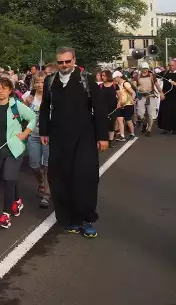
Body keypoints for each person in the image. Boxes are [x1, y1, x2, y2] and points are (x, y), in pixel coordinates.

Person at [39, 47, 109, 238]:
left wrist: (102, 136)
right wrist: (44, 131)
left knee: (85, 178)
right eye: (60, 62)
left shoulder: (86, 80)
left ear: (74, 61)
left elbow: (100, 109)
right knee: (61, 178)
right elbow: (45, 108)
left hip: (84, 137)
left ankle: (86, 219)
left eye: (67, 61)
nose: (64, 65)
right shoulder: (50, 81)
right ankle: (69, 218)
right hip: (59, 137)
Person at [0, 77, 36, 228]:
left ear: (10, 91)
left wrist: (25, 133)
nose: (0, 91)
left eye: (4, 88)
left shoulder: (16, 106)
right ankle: (17, 200)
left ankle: (5, 215)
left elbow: (32, 117)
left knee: (8, 177)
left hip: (14, 148)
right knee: (9, 178)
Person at [22, 72, 50, 208]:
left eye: (43, 82)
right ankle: (41, 183)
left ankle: (46, 193)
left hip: (49, 135)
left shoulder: (52, 95)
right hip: (33, 135)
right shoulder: (29, 95)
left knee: (47, 165)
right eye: (37, 82)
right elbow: (20, 114)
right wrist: (26, 104)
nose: (40, 85)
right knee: (34, 165)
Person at [133, 63, 164, 137]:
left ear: (148, 68)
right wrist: (138, 88)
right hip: (141, 96)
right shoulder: (137, 76)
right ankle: (144, 123)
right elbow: (134, 85)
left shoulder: (151, 75)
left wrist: (161, 92)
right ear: (141, 69)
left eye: (146, 68)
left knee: (151, 114)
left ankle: (149, 130)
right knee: (140, 114)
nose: (145, 70)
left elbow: (156, 84)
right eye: (143, 68)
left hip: (151, 95)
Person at [158, 60, 176, 135]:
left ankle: (175, 129)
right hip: (166, 96)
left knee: (175, 113)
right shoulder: (165, 73)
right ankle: (166, 128)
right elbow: (156, 76)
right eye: (170, 65)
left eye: (172, 65)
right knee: (165, 112)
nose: (171, 67)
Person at [112, 70, 136, 142]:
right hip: (120, 104)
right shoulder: (117, 84)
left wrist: (132, 99)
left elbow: (133, 92)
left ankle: (132, 134)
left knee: (128, 120)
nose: (114, 80)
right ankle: (122, 136)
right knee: (119, 120)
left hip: (128, 105)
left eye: (115, 78)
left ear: (118, 77)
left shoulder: (125, 83)